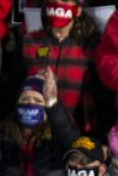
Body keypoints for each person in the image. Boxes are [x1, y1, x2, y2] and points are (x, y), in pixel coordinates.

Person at [23, 0, 99, 132]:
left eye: (64, 0)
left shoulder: (90, 47)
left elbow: (99, 95)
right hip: (35, 130)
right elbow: (16, 87)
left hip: (75, 131)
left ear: (78, 10)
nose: (58, 3)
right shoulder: (30, 41)